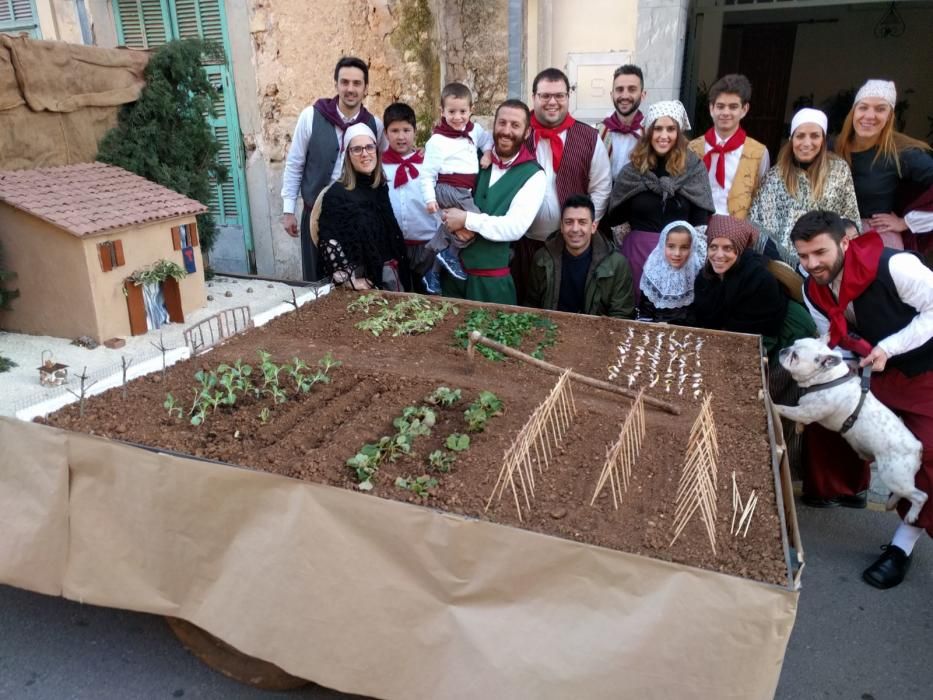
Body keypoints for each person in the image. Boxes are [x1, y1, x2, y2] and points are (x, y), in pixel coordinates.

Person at [791, 209, 933, 589]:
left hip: (925, 367)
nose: (811, 264)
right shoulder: (811, 287)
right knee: (824, 417)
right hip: (874, 371)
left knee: (929, 455)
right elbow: (832, 340)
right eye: (803, 256)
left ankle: (901, 546)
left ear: (845, 242)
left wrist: (889, 347)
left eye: (819, 253)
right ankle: (844, 489)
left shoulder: (897, 266)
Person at [281, 56, 383, 281]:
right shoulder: (311, 116)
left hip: (356, 217)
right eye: (344, 82)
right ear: (336, 84)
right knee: (318, 285)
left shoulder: (374, 125)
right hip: (315, 216)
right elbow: (295, 163)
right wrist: (289, 210)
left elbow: (380, 168)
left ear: (366, 88)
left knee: (357, 283)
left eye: (357, 83)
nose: (350, 89)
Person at [517, 68, 611, 302]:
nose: (552, 102)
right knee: (524, 303)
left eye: (559, 95)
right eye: (545, 95)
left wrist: (583, 228)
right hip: (521, 242)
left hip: (568, 246)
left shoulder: (589, 137)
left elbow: (601, 188)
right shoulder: (518, 133)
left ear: (568, 97)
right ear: (534, 97)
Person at [438, 99, 546, 304]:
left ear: (527, 132)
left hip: (492, 286)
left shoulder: (534, 175)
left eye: (515, 125)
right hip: (451, 279)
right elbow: (441, 189)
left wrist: (466, 220)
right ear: (493, 125)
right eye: (502, 123)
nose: (506, 131)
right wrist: (448, 221)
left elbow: (513, 227)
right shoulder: (469, 155)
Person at [607, 100, 714, 303]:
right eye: (658, 129)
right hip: (636, 258)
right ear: (648, 132)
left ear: (679, 133)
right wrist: (629, 249)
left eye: (671, 129)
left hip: (678, 259)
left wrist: (691, 260)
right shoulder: (632, 170)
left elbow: (700, 222)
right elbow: (618, 218)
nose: (663, 136)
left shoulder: (694, 169)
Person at [749, 108, 860, 266]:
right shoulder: (775, 176)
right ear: (791, 139)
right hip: (781, 265)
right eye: (800, 136)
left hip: (828, 264)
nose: (807, 143)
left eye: (814, 135)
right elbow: (757, 226)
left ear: (823, 139)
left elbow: (851, 219)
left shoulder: (839, 170)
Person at [694, 215, 815, 358]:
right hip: (736, 340)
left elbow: (761, 337)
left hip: (787, 337)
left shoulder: (758, 279)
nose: (719, 255)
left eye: (728, 248)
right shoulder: (704, 279)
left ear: (739, 249)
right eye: (713, 247)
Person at [835, 79, 933, 252]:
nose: (869, 116)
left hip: (876, 241)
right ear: (853, 112)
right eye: (863, 107)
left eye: (880, 109)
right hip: (834, 236)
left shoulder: (902, 154)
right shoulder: (833, 147)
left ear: (890, 116)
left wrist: (906, 222)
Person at [316, 123, 411, 291]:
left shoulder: (379, 186)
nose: (365, 154)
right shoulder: (337, 194)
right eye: (357, 149)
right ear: (348, 156)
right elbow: (328, 240)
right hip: (364, 282)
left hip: (391, 275)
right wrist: (348, 280)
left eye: (369, 147)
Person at [419, 82, 493, 293]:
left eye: (462, 111)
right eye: (451, 112)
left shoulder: (474, 131)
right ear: (442, 111)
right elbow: (427, 174)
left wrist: (487, 153)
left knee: (457, 228)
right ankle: (449, 255)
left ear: (471, 110)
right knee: (476, 222)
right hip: (449, 188)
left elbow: (487, 140)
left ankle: (432, 273)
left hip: (463, 192)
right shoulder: (438, 140)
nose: (457, 117)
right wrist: (430, 199)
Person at [526, 193, 634, 318]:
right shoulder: (542, 258)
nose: (575, 229)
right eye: (569, 222)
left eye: (582, 222)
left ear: (593, 227)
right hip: (550, 330)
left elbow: (622, 315)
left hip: (596, 334)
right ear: (561, 226)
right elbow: (531, 307)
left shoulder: (616, 264)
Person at [688, 74, 770, 220]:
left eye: (733, 107)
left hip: (736, 233)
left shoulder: (759, 152)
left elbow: (761, 200)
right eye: (720, 106)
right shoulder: (693, 148)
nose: (726, 112)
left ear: (744, 109)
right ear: (711, 108)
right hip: (697, 226)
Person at [381, 102, 439, 292]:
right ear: (385, 133)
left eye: (406, 130)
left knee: (429, 296)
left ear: (415, 131)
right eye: (394, 130)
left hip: (427, 246)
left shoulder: (428, 164)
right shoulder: (378, 167)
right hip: (392, 247)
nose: (401, 136)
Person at [638, 220, 706, 325]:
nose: (677, 253)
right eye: (671, 246)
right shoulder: (653, 273)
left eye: (684, 247)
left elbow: (700, 313)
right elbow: (645, 313)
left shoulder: (699, 274)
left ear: (692, 248)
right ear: (662, 245)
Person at [598, 64, 647, 182]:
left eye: (632, 89)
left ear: (643, 95)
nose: (624, 96)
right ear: (612, 95)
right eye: (619, 90)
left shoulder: (651, 133)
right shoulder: (597, 132)